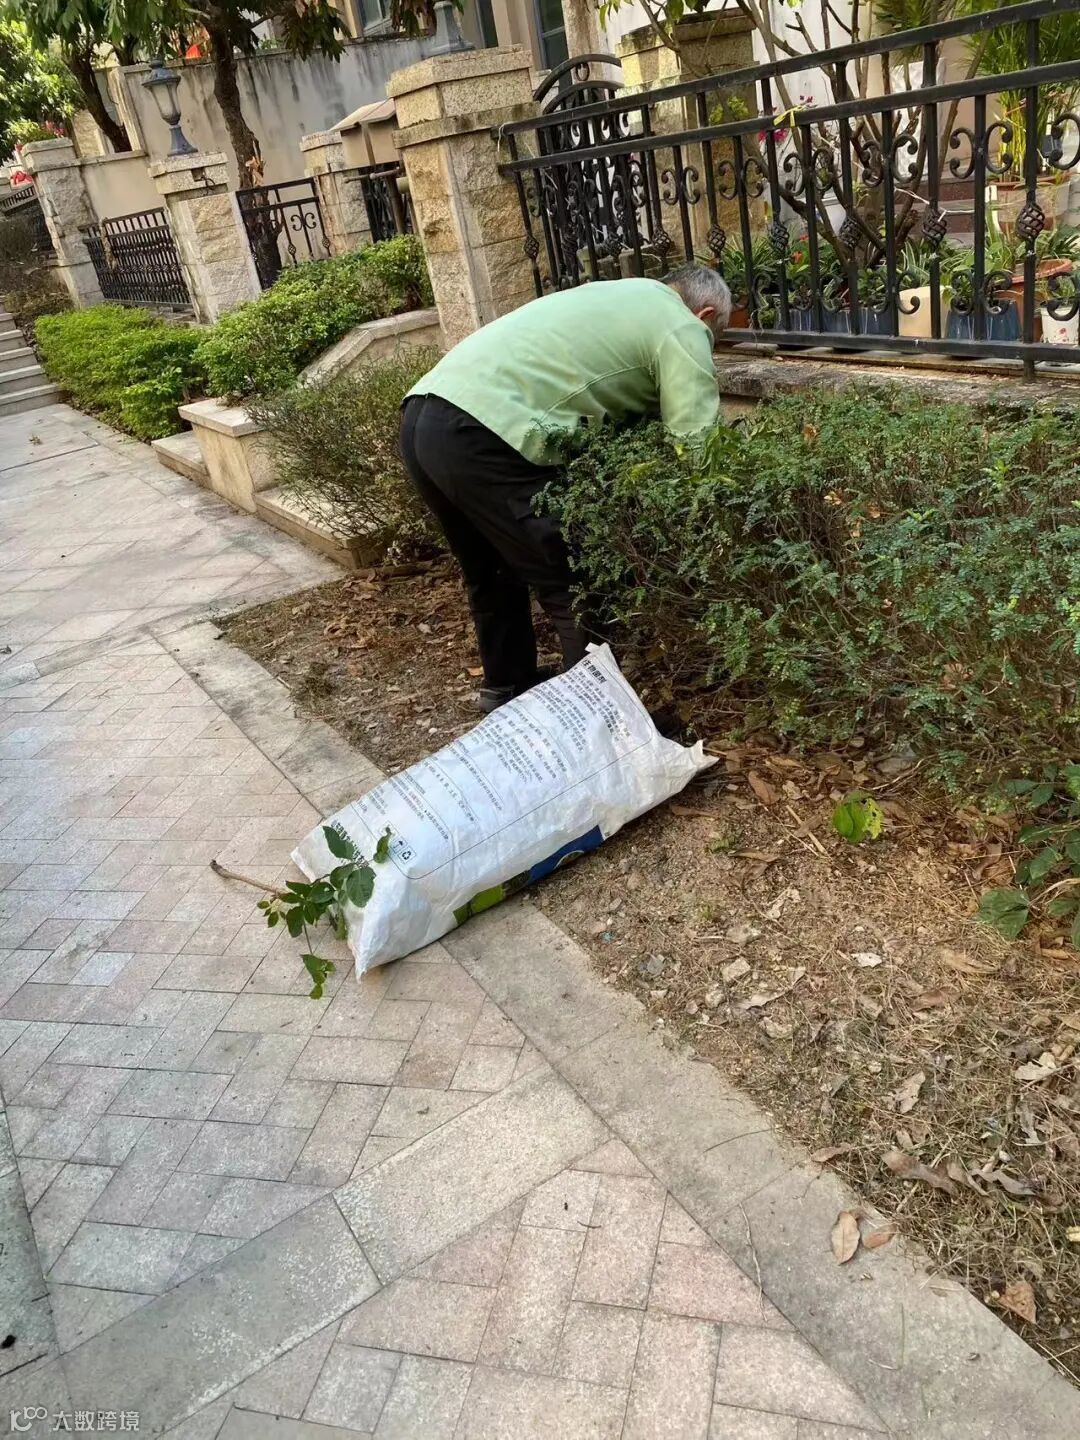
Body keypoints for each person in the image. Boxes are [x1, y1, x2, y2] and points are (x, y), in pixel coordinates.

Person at [400, 265, 730, 712]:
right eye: (714, 339)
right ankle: (594, 716)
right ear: (704, 314)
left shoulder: (622, 293)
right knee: (574, 578)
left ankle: (506, 687)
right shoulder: (682, 325)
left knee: (491, 570)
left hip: (424, 415)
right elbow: (697, 447)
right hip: (483, 431)